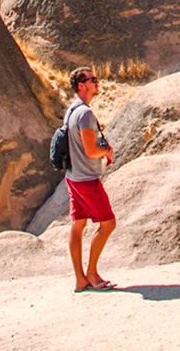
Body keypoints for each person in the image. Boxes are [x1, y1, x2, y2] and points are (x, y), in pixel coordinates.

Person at [65, 67, 117, 292]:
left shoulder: (71, 110)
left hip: (73, 176)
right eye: (92, 80)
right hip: (86, 179)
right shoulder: (85, 113)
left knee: (77, 226)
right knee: (108, 223)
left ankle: (80, 279)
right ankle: (92, 274)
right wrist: (106, 150)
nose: (97, 82)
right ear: (81, 86)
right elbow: (90, 150)